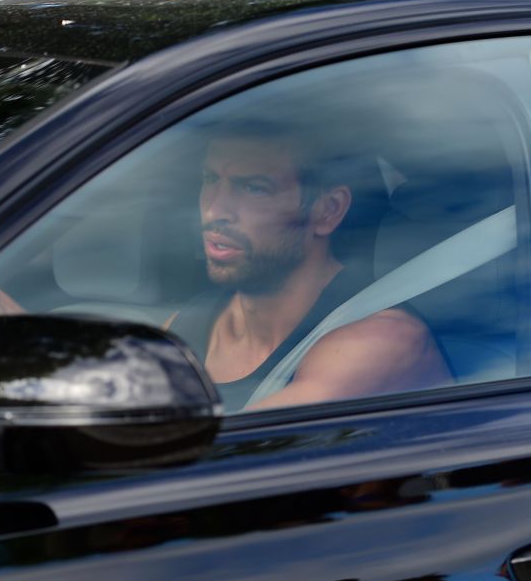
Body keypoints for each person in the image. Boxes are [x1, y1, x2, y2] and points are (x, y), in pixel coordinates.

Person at [166, 122, 451, 412]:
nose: (215, 211)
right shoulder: (186, 327)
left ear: (328, 210)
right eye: (210, 178)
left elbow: (233, 450)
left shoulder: (383, 343)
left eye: (254, 188)